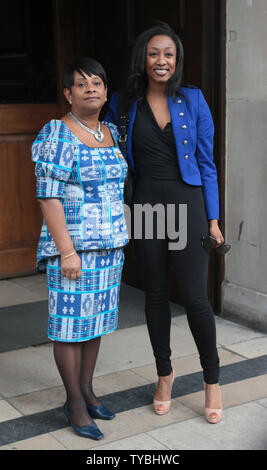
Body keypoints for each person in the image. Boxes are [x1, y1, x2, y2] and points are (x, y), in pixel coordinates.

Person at [105, 23, 223, 423]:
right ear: (143, 58)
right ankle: (164, 375)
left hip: (187, 203)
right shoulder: (122, 103)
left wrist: (213, 219)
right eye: (154, 53)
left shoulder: (192, 99)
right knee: (155, 295)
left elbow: (207, 164)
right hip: (148, 206)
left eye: (168, 54)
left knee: (194, 297)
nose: (161, 61)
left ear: (177, 60)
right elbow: (105, 151)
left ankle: (212, 381)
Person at [31, 57, 128, 439]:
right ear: (68, 94)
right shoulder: (57, 133)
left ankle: (87, 390)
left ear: (106, 92)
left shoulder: (109, 132)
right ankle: (73, 401)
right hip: (72, 250)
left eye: (98, 83)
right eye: (82, 84)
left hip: (108, 247)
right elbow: (48, 196)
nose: (92, 89)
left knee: (94, 323)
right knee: (70, 327)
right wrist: (67, 251)